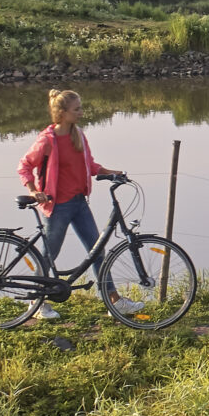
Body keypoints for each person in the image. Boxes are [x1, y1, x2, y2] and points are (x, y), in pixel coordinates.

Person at [17, 89, 124, 321]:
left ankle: (113, 301)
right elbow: (24, 166)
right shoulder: (47, 140)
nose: (81, 112)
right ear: (62, 113)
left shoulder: (79, 135)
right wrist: (33, 191)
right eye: (77, 109)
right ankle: (37, 305)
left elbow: (89, 165)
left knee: (97, 251)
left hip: (79, 204)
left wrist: (111, 173)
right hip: (57, 207)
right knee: (48, 256)